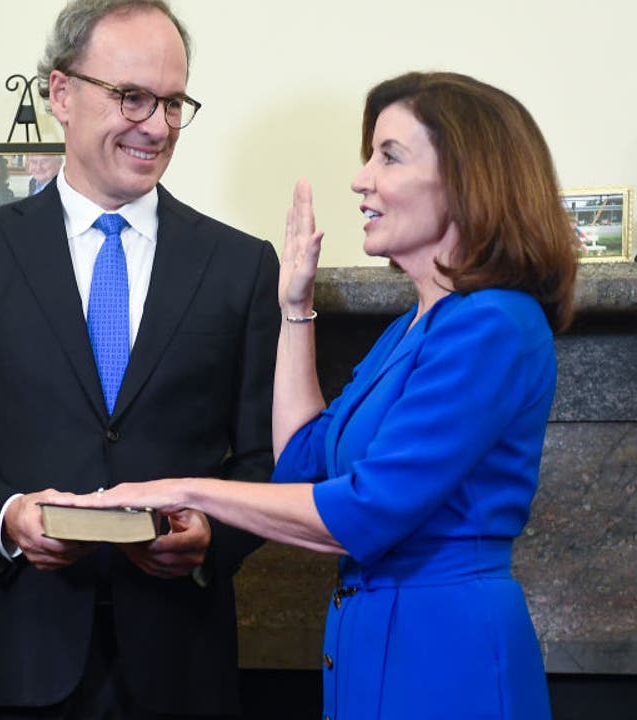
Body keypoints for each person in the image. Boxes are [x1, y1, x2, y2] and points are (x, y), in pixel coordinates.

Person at [75, 71, 577, 720]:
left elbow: (364, 512)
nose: (361, 179)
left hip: (447, 658)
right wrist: (295, 307)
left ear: (467, 177)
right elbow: (304, 461)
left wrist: (183, 489)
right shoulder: (413, 327)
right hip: (372, 649)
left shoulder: (493, 325)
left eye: (389, 156)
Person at [0, 1, 279, 717]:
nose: (156, 126)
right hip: (7, 655)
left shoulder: (240, 267)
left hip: (179, 668)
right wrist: (9, 516)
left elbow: (264, 461)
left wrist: (211, 536)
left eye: (172, 102)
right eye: (132, 97)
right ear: (61, 94)